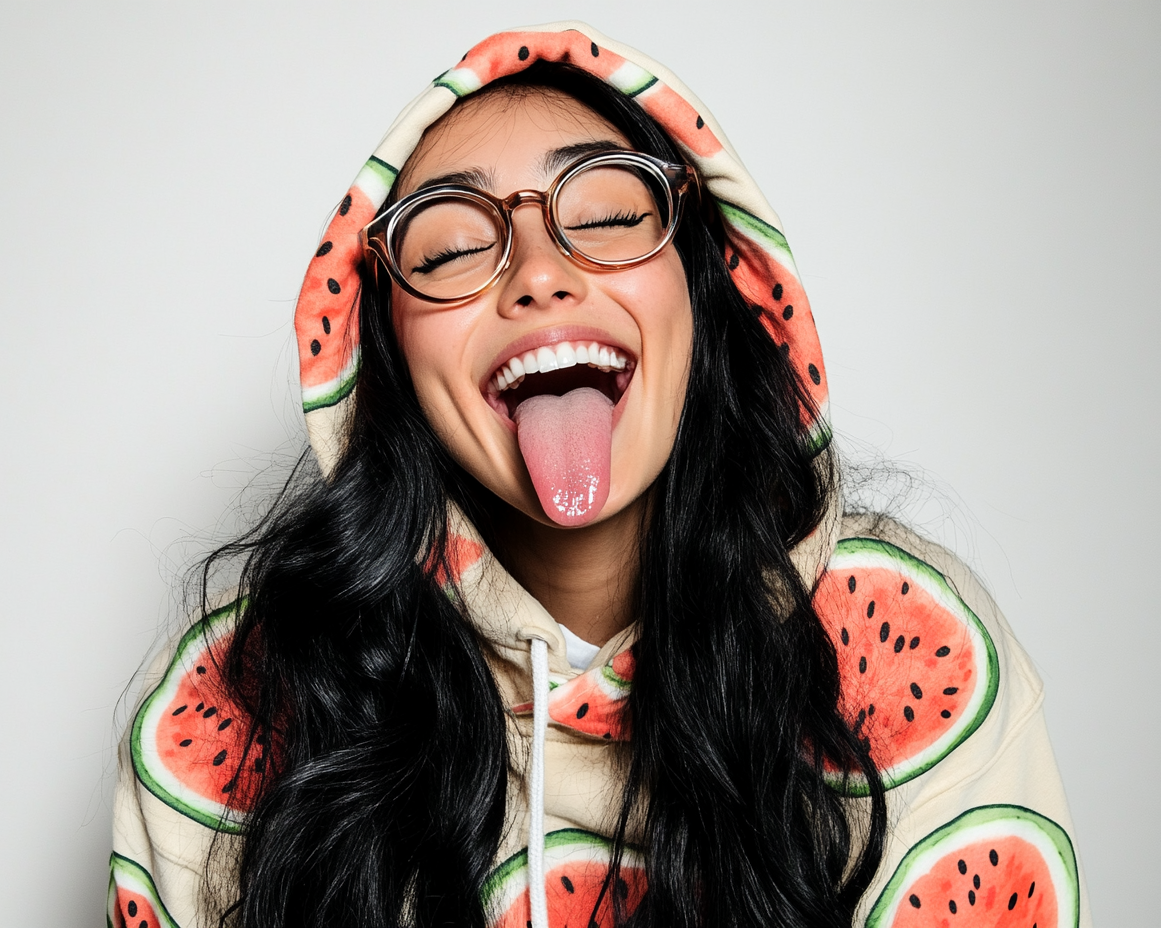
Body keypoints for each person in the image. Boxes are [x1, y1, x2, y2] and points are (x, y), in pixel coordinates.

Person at [109, 22, 1090, 928]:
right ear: (382, 355)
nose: (535, 270)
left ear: (706, 281)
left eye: (610, 211)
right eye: (450, 245)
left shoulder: (906, 638)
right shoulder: (240, 692)